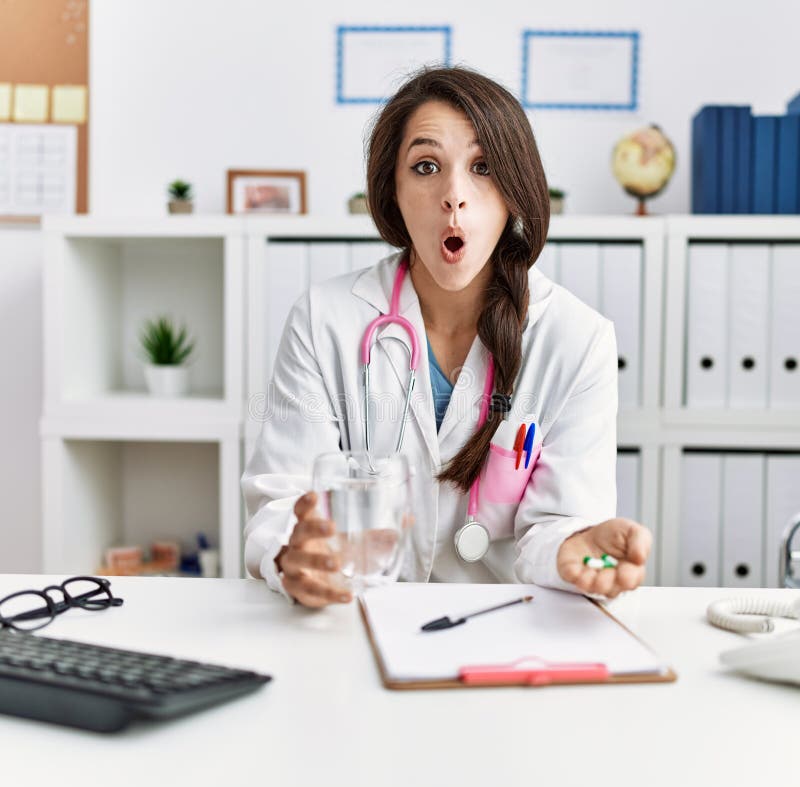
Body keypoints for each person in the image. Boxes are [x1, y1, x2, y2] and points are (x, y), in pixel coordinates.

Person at [241, 66, 652, 608]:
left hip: (498, 633)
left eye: (482, 167)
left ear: (514, 190)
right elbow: (282, 497)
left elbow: (556, 525)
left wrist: (574, 544)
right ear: (393, 189)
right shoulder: (326, 320)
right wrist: (290, 552)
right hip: (354, 618)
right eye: (426, 166)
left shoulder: (576, 339)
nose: (454, 196)